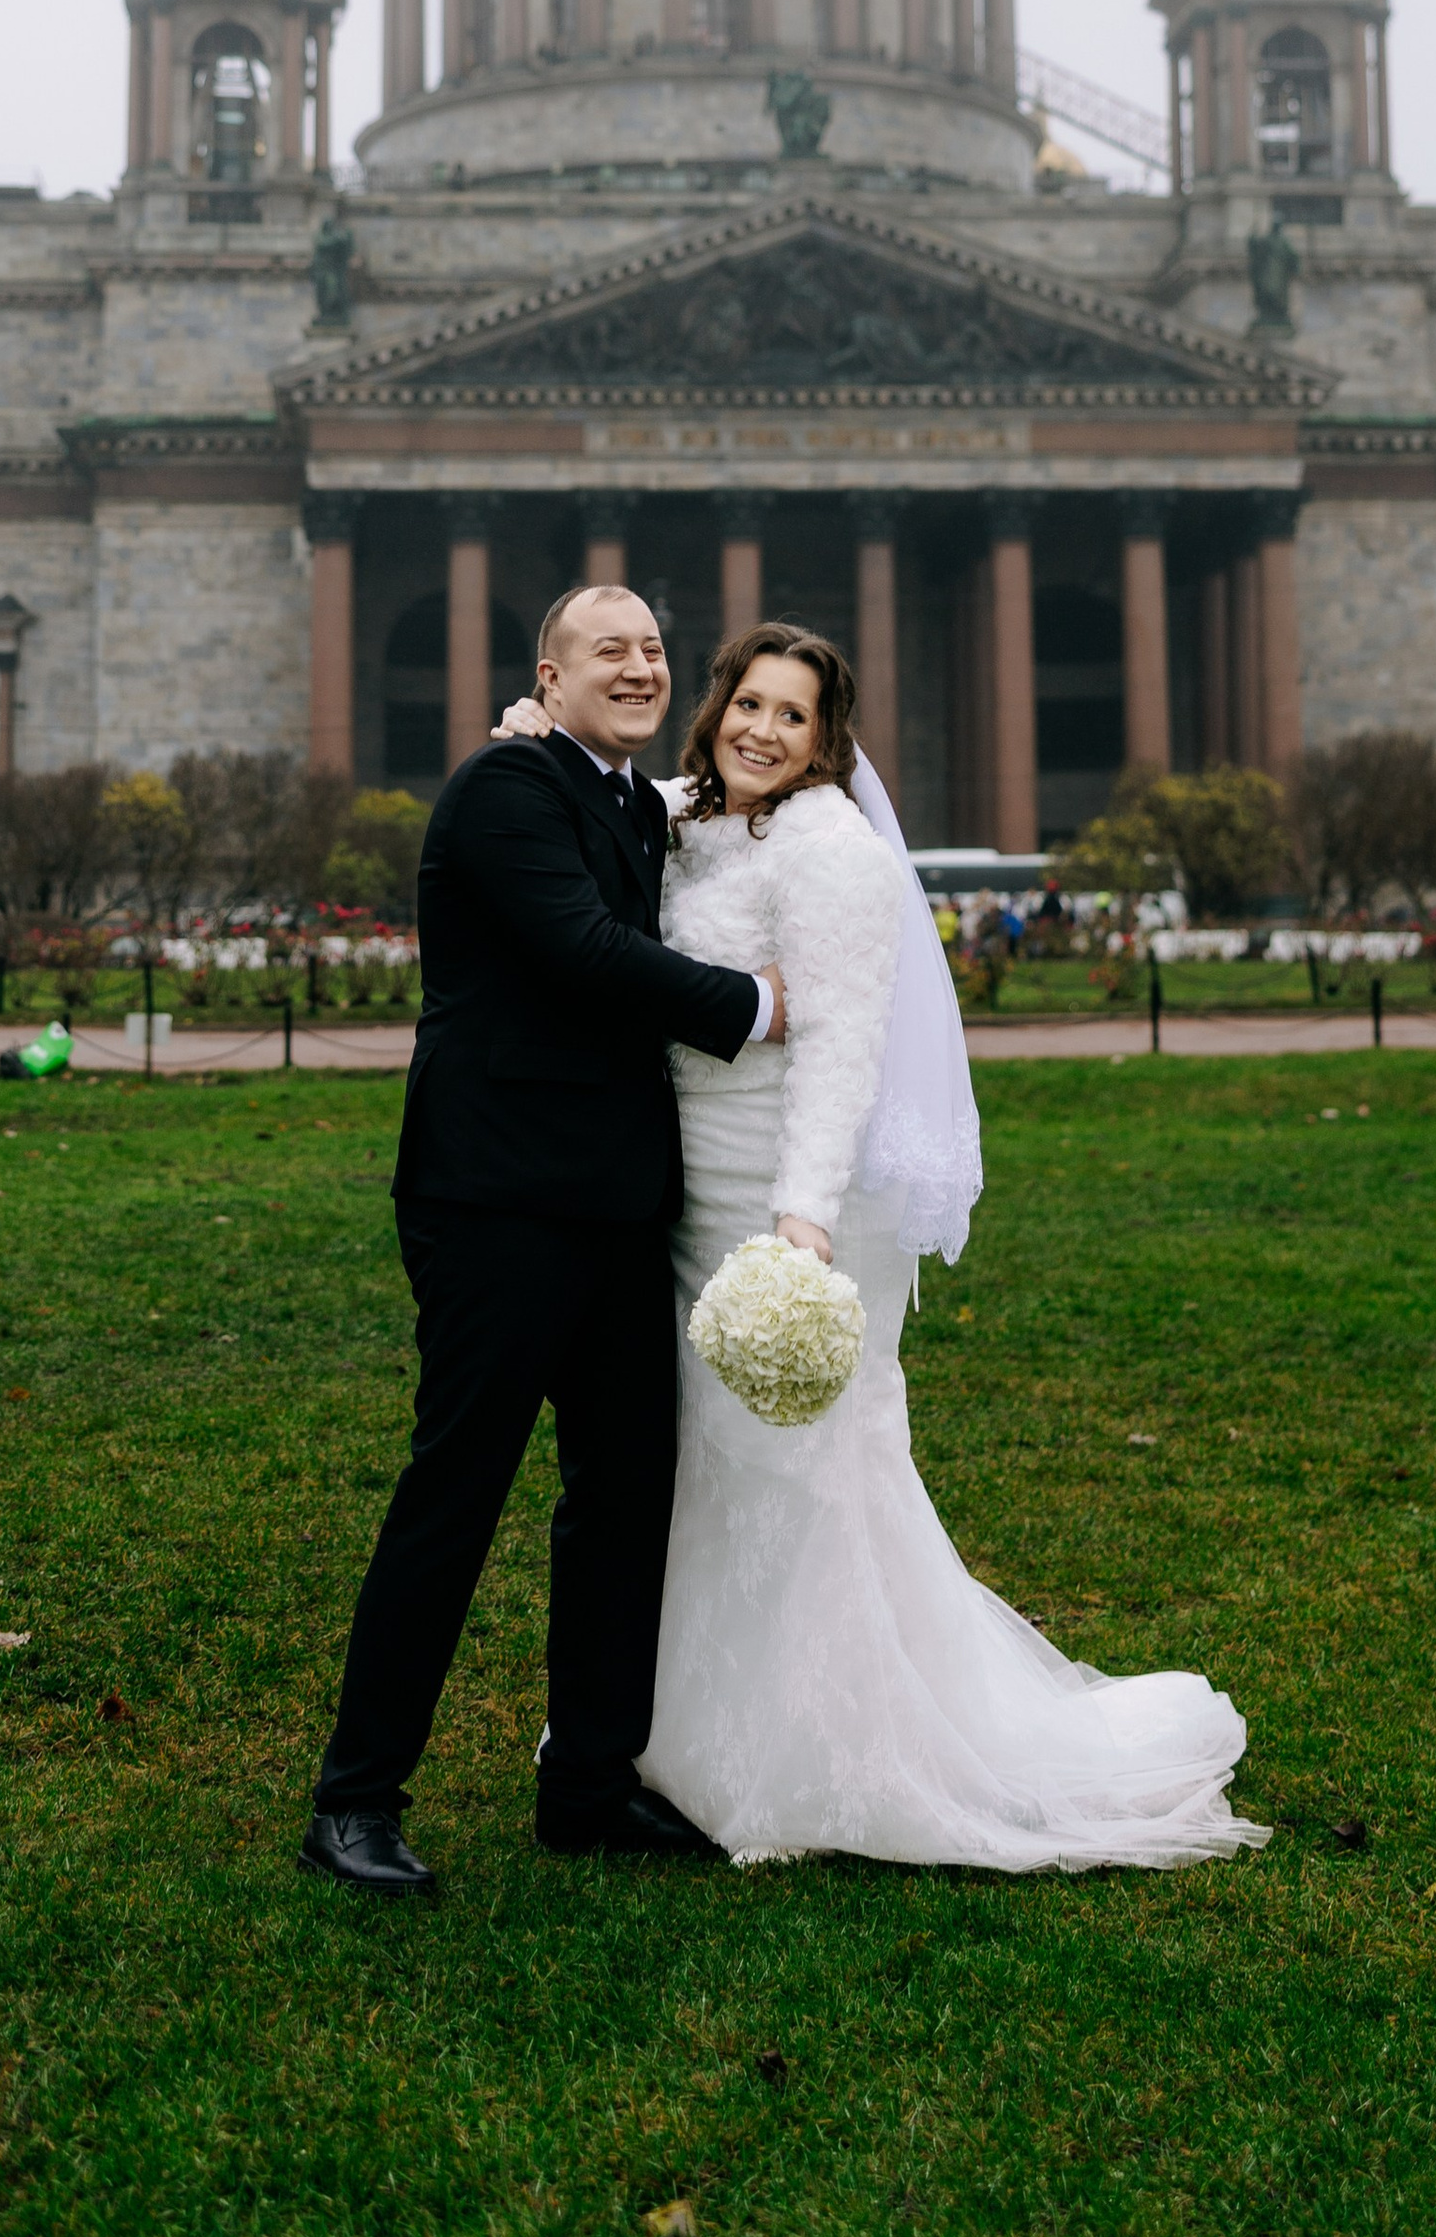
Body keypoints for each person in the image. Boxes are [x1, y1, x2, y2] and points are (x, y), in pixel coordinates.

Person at [497, 623, 1266, 1875]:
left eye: (791, 716)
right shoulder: (686, 817)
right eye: (748, 704)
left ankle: (818, 1747)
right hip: (687, 1192)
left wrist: (801, 1216)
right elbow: (607, 795)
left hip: (780, 1191)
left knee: (794, 1469)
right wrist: (537, 733)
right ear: (716, 710)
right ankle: (673, 1733)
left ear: (826, 742)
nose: (761, 731)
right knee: (702, 1467)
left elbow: (843, 1048)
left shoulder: (832, 849)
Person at [302, 586, 787, 1901]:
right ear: (548, 677)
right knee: (457, 1491)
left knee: (624, 1496)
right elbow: (581, 951)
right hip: (497, 1200)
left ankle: (588, 1783)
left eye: (653, 651)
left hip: (619, 1206)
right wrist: (753, 1007)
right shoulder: (504, 788)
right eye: (606, 651)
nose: (638, 668)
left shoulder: (631, 802)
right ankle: (355, 1799)